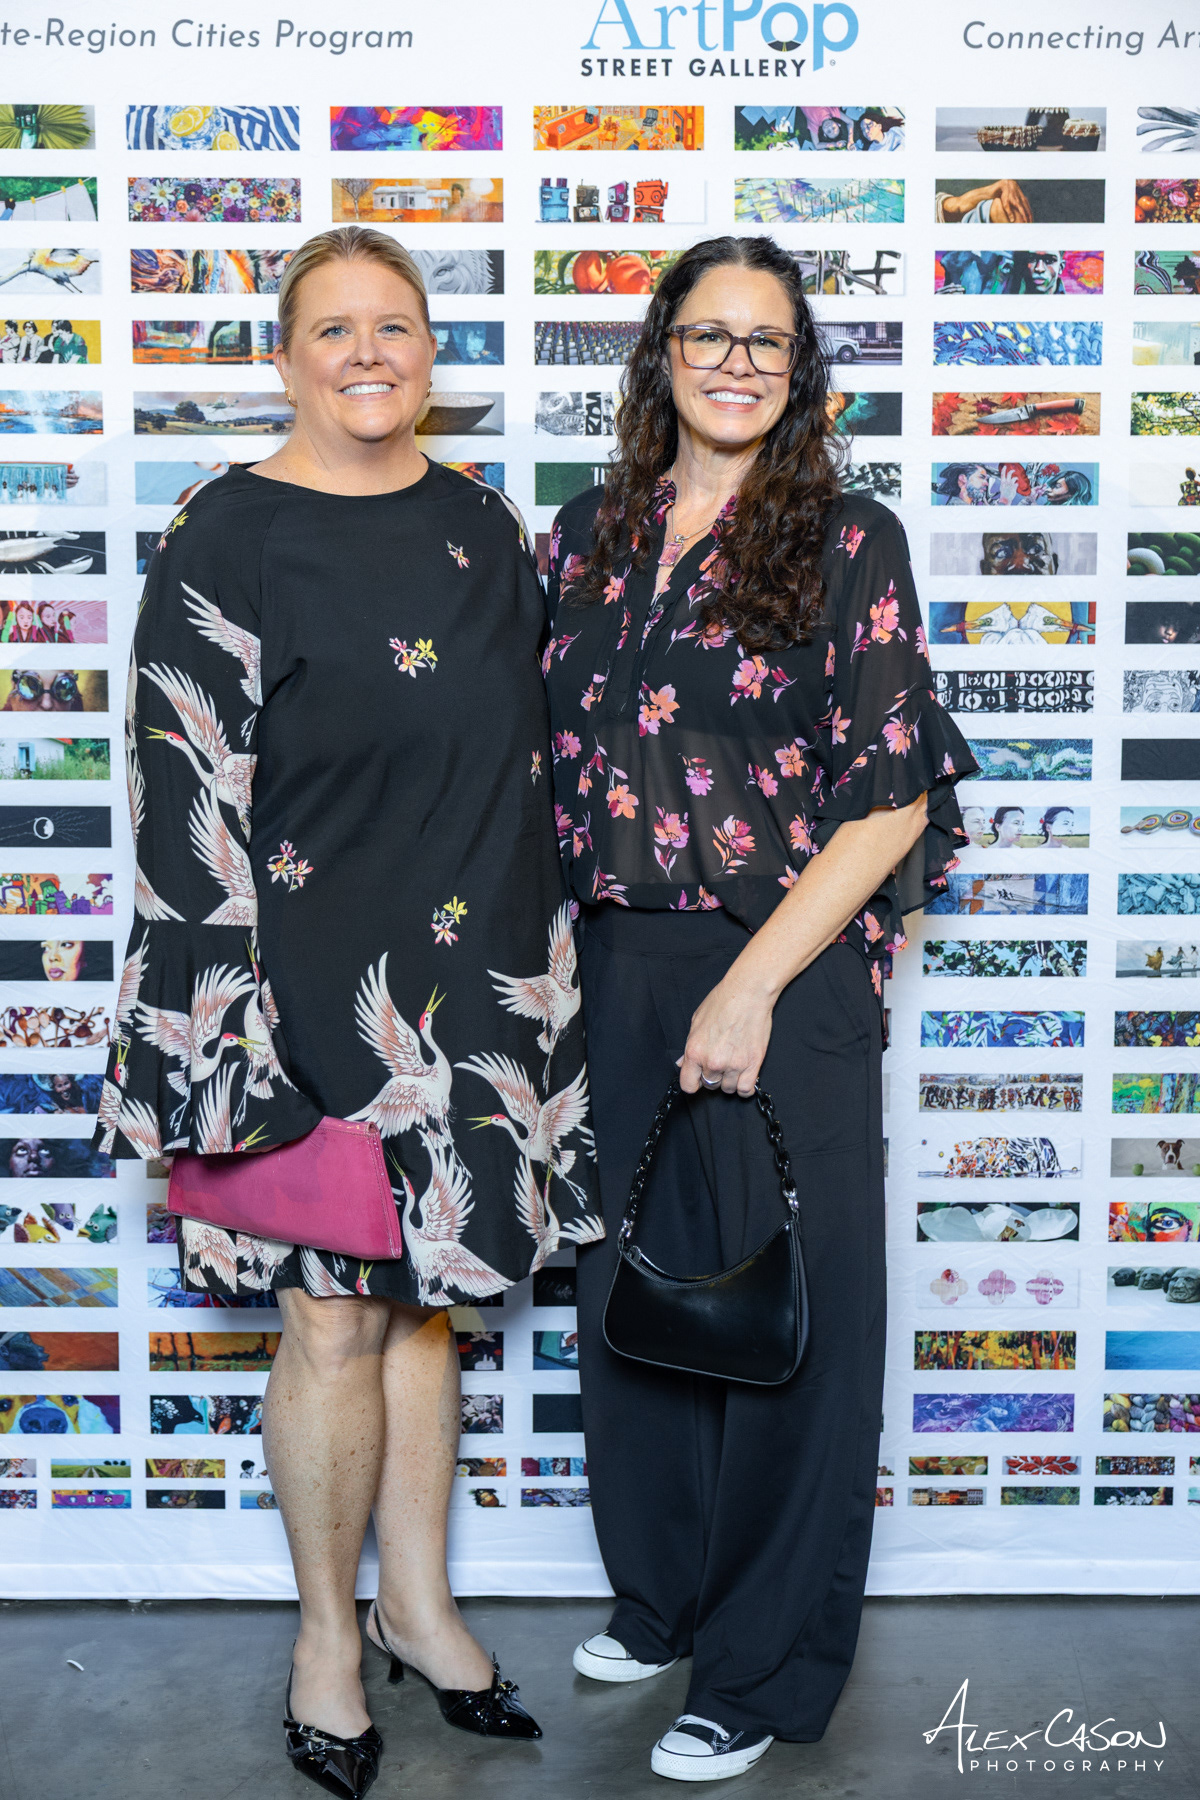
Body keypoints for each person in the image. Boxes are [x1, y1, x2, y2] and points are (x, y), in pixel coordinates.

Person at [93, 225, 596, 1796]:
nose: (368, 353)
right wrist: (237, 1026)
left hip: (478, 979)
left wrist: (542, 992)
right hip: (305, 982)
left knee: (428, 1305)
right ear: (286, 356)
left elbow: (523, 758)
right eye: (334, 328)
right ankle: (326, 1639)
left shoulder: (481, 525)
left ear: (432, 353)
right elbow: (182, 792)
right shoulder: (227, 533)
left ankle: (421, 1615)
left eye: (396, 326)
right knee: (328, 1315)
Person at [543, 235, 976, 1781]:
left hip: (780, 968)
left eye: (767, 342)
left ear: (800, 373)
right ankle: (661, 1600)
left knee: (794, 1319)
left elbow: (889, 800)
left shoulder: (849, 538)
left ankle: (762, 1666)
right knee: (641, 1300)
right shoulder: (586, 535)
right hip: (617, 963)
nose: (736, 362)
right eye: (709, 334)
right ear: (661, 353)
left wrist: (748, 984)